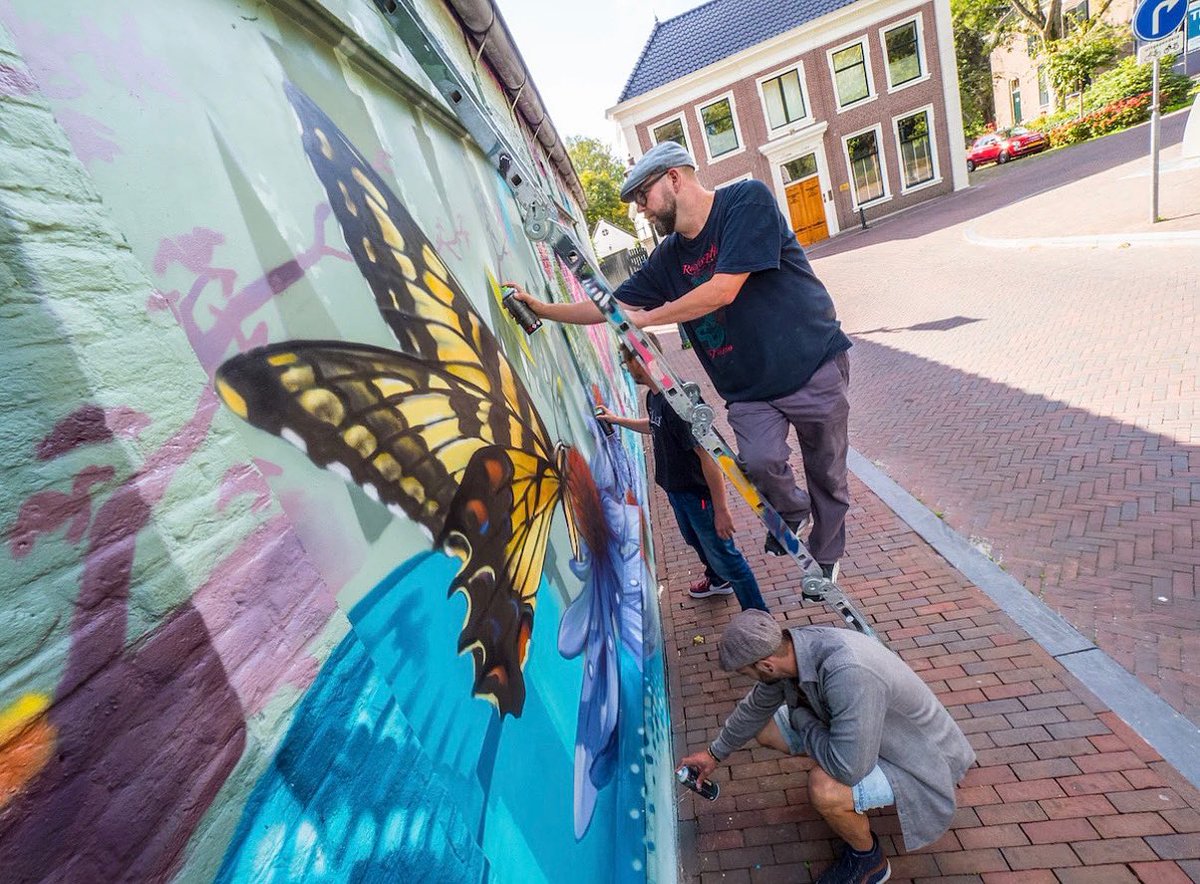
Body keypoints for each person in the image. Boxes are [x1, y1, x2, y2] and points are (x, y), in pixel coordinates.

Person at [508, 141, 852, 579]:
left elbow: (723, 289)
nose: (642, 211)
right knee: (760, 461)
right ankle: (792, 511)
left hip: (812, 365)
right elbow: (612, 306)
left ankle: (825, 555)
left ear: (674, 178)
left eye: (643, 197)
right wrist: (544, 310)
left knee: (827, 472)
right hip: (749, 390)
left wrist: (650, 317)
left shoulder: (746, 202)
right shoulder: (668, 258)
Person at [677, 610, 975, 884]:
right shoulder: (795, 648)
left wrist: (802, 717)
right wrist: (714, 753)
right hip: (872, 736)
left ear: (766, 665)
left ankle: (869, 861)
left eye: (746, 673)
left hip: (919, 757)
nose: (749, 680)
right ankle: (840, 766)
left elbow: (849, 769)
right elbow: (755, 708)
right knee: (766, 729)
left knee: (825, 787)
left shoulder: (848, 672)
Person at [597, 340, 768, 611]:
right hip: (678, 492)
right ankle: (717, 580)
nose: (626, 369)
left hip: (697, 496)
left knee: (727, 557)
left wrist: (721, 510)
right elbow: (655, 426)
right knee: (695, 540)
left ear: (640, 361)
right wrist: (618, 420)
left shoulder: (679, 401)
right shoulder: (654, 396)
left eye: (626, 362)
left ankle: (760, 619)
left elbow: (708, 457)